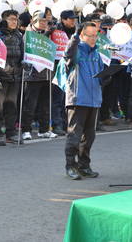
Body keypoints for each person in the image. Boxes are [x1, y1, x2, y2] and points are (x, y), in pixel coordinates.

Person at [63, 22, 105, 180]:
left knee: (89, 136)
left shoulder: (96, 53)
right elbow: (68, 55)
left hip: (94, 99)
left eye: (96, 35)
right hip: (78, 98)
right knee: (74, 135)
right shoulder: (77, 49)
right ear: (82, 35)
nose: (94, 38)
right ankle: (70, 166)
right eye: (90, 35)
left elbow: (101, 72)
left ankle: (84, 165)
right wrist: (74, 37)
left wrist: (106, 76)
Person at [0, 10, 24, 146]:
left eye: (16, 19)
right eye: (11, 19)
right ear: (4, 20)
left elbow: (22, 54)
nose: (14, 22)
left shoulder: (18, 36)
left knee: (12, 106)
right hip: (1, 75)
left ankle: (11, 133)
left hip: (15, 75)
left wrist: (23, 64)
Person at [21, 11, 57, 140]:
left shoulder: (47, 33)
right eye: (40, 21)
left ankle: (44, 129)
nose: (43, 24)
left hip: (47, 73)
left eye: (45, 21)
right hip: (32, 74)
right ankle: (26, 130)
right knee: (30, 104)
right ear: (33, 21)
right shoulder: (29, 34)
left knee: (45, 104)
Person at [51, 10, 77, 135]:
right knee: (58, 98)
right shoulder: (55, 31)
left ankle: (67, 124)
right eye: (70, 19)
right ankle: (57, 125)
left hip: (71, 67)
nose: (73, 21)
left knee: (68, 98)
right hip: (57, 67)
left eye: (74, 19)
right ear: (63, 19)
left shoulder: (75, 31)